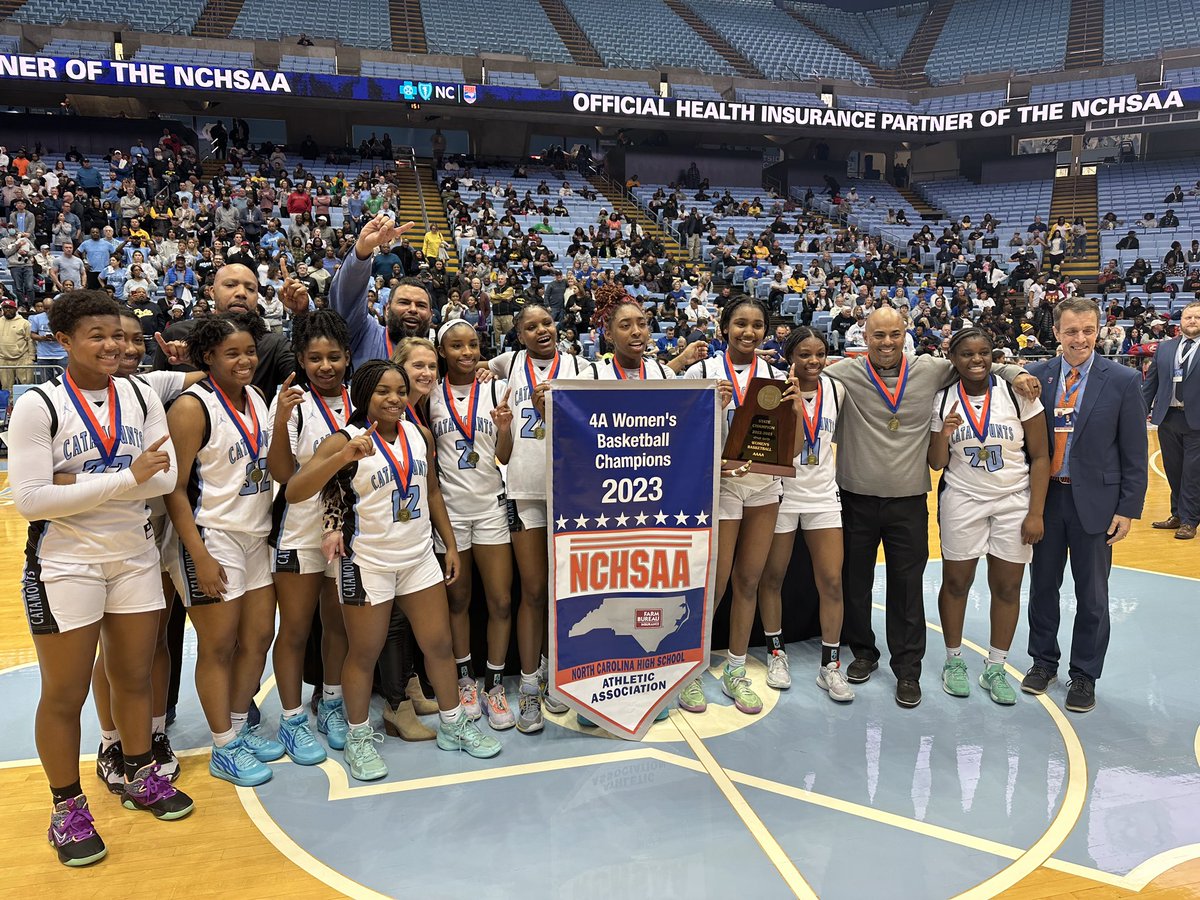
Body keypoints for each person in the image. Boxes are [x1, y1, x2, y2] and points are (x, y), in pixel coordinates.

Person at [10, 290, 193, 867]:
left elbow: (164, 484)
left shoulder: (140, 395)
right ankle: (67, 809)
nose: (113, 345)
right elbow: (32, 501)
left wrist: (79, 483)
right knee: (63, 694)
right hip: (65, 563)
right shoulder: (37, 404)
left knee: (134, 679)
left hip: (133, 555)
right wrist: (124, 477)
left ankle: (139, 773)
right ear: (63, 341)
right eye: (97, 335)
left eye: (117, 334)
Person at [286, 360, 502, 780]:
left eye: (400, 391)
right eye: (383, 391)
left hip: (419, 556)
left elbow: (433, 492)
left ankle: (453, 724)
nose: (394, 399)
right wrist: (342, 457)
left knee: (438, 645)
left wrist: (450, 544)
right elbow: (296, 490)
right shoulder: (343, 439)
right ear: (364, 394)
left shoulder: (419, 435)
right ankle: (358, 736)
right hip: (368, 562)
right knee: (364, 653)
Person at [823, 307, 1041, 708]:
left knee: (906, 589)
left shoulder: (930, 369)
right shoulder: (844, 373)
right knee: (856, 583)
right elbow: (806, 373)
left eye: (894, 334)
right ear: (863, 337)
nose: (886, 343)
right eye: (878, 336)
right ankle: (864, 652)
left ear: (905, 334)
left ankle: (908, 669)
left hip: (909, 499)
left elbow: (976, 361)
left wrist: (1014, 373)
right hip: (855, 496)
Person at [163, 313, 284, 786]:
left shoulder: (256, 396)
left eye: (250, 351)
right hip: (211, 537)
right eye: (232, 353)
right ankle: (223, 746)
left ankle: (237, 725)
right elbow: (173, 489)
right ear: (207, 356)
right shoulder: (192, 407)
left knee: (258, 639)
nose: (245, 360)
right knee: (218, 645)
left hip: (256, 534)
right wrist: (198, 555)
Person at [1021, 297, 1148, 714]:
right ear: (1055, 333)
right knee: (1042, 587)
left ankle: (1085, 674)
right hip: (1047, 499)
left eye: (1088, 330)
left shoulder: (1123, 380)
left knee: (1092, 594)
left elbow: (1134, 451)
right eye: (1071, 331)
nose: (1080, 339)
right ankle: (1043, 662)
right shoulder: (1036, 378)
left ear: (1099, 331)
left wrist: (1128, 508)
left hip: (1096, 502)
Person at [487, 304, 597, 733]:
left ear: (558, 326)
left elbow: (595, 423)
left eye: (546, 323)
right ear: (519, 335)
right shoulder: (509, 364)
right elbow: (477, 365)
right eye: (530, 327)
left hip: (572, 492)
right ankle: (530, 684)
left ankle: (563, 674)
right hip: (525, 488)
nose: (540, 330)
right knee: (533, 591)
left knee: (568, 591)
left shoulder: (581, 367)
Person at [928, 329, 1050, 705]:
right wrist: (942, 433)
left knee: (1008, 587)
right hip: (962, 500)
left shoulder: (1018, 394)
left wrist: (1036, 513)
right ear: (953, 358)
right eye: (966, 354)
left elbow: (1041, 456)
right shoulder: (943, 399)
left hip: (1013, 500)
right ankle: (954, 661)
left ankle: (996, 666)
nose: (976, 360)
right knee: (956, 583)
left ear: (993, 356)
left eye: (983, 353)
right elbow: (936, 463)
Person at [681, 297, 781, 717]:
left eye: (757, 325)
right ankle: (688, 672)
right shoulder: (700, 372)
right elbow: (677, 432)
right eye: (740, 324)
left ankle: (736, 670)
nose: (748, 332)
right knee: (713, 584)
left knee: (749, 580)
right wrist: (711, 409)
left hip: (764, 485)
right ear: (724, 329)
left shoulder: (777, 375)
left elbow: (784, 438)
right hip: (718, 487)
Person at [264, 311, 353, 765]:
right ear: (300, 359)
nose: (325, 366)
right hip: (299, 531)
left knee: (337, 624)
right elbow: (282, 473)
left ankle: (331, 701)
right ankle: (293, 717)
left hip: (346, 536)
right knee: (295, 629)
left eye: (333, 357)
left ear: (347, 357)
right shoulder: (293, 404)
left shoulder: (362, 399)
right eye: (315, 358)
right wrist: (279, 418)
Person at [757, 328, 853, 702]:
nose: (813, 361)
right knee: (772, 577)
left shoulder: (837, 390)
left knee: (831, 581)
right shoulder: (774, 390)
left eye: (820, 353)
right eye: (804, 354)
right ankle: (776, 652)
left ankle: (830, 664)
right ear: (789, 356)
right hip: (782, 494)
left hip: (823, 497)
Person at [430, 321, 516, 729]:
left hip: (490, 507)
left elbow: (505, 455)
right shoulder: (429, 395)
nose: (466, 352)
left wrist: (503, 430)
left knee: (500, 601)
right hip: (450, 513)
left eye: (473, 345)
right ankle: (465, 680)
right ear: (441, 350)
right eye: (456, 345)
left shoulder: (495, 389)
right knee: (458, 601)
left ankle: (494, 685)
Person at [1141, 300, 1200, 539]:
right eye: (1188, 317)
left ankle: (1189, 520)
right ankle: (1177, 514)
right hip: (1168, 418)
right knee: (1173, 470)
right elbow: (1150, 385)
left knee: (1192, 472)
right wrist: (1136, 415)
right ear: (1181, 322)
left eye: (1197, 317)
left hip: (1197, 420)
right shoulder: (1165, 349)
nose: (1193, 321)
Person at [0, 298, 34, 388]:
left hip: (22, 358)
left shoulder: (24, 323)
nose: (7, 309)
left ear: (15, 309)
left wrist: (31, 357)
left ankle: (27, 402)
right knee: (6, 386)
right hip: (3, 359)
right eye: (5, 308)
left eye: (10, 308)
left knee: (26, 385)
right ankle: (10, 402)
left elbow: (30, 340)